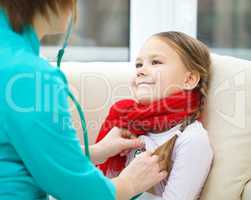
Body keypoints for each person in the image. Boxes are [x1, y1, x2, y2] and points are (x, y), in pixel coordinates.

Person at [0, 1, 168, 199]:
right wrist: (128, 184)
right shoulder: (30, 75)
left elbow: (16, 149)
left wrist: (95, 151)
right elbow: (75, 189)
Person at [96, 32, 214, 200]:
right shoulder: (126, 123)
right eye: (138, 64)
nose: (141, 71)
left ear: (189, 79)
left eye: (155, 62)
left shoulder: (192, 139)